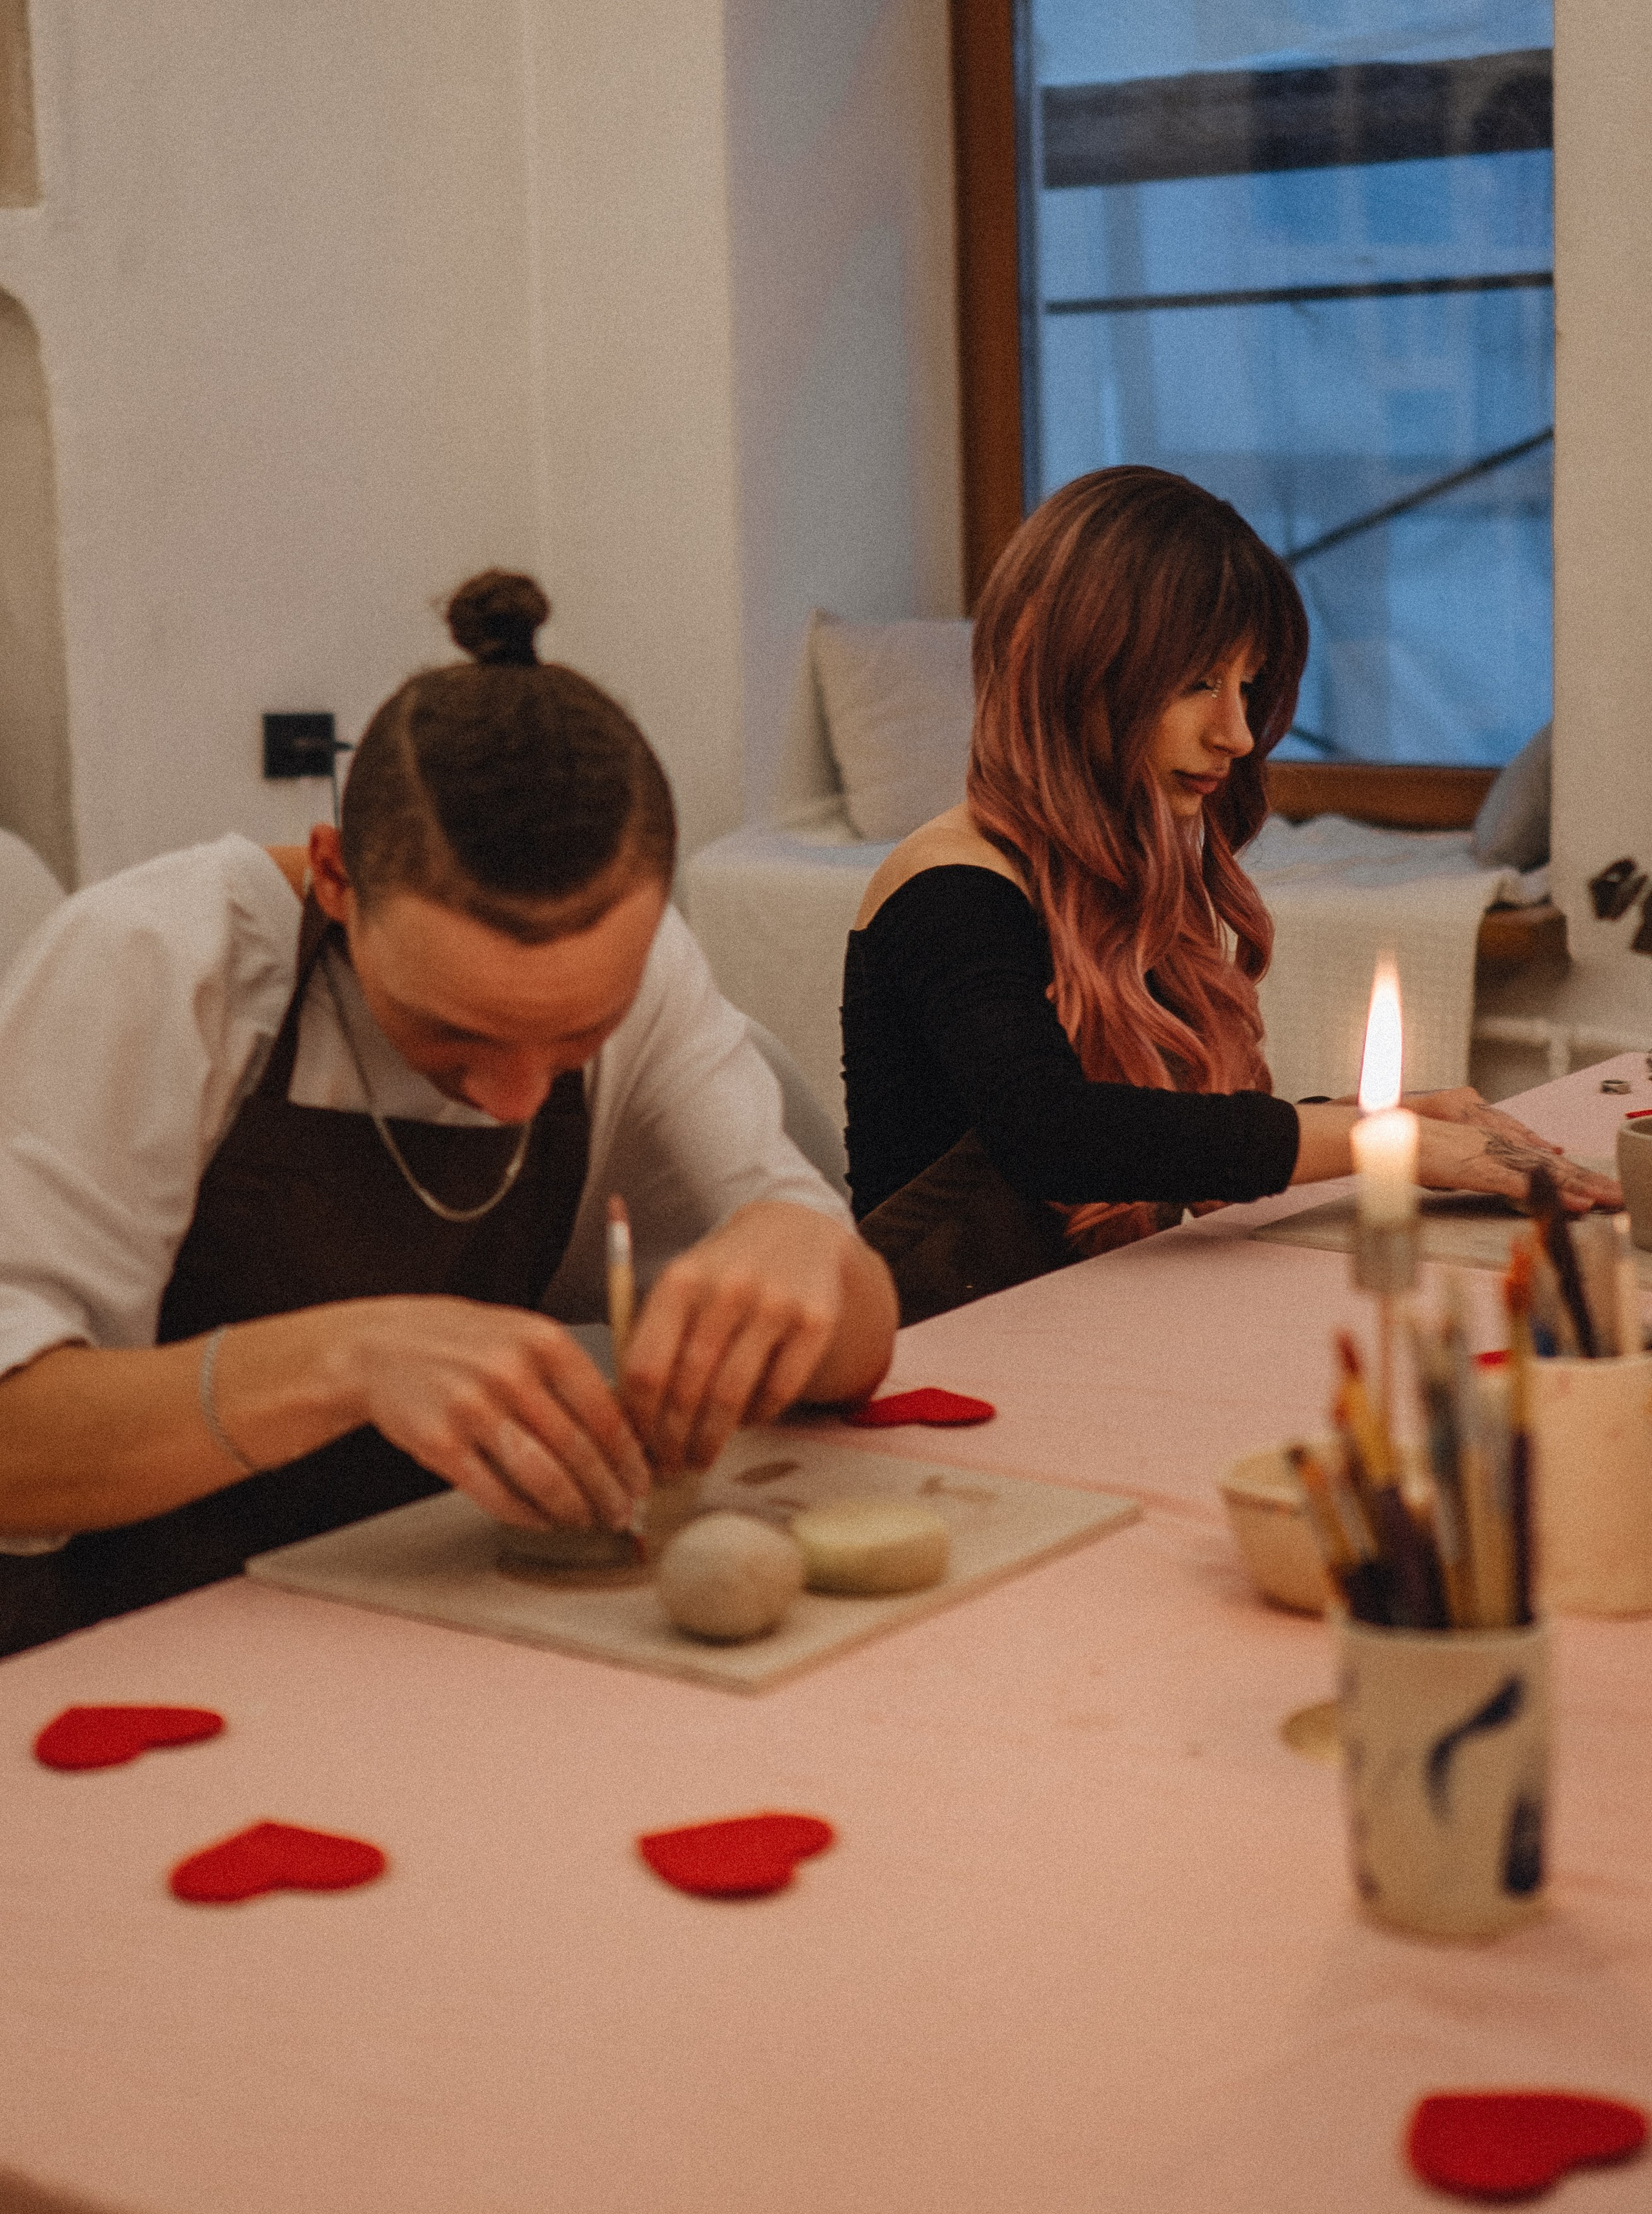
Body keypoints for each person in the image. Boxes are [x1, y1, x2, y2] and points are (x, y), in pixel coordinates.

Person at [0, 570, 896, 1653]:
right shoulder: (156, 964)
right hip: (130, 1639)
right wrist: (348, 1358)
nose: (517, 1095)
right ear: (335, 877)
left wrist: (808, 1248)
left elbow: (858, 1346)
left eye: (576, 1042)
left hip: (423, 1615)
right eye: (452, 1035)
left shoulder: (646, 969)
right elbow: (16, 1445)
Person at [841, 468, 1617, 1323]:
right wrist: (1378, 1141)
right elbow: (1052, 1131)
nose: (1238, 736)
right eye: (1199, 683)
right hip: (937, 1352)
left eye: (1247, 687)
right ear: (1071, 673)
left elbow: (1162, 1134)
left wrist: (1381, 1116)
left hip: (1069, 1325)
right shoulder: (950, 885)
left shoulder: (1113, 870)